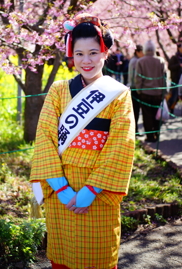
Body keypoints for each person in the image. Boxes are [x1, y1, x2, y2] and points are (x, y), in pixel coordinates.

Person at [30, 13, 135, 269]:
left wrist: (91, 190)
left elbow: (121, 144)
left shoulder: (118, 95)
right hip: (60, 187)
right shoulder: (58, 89)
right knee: (62, 255)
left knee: (98, 256)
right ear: (71, 55)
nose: (86, 61)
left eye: (93, 53)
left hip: (98, 191)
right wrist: (61, 187)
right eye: (79, 54)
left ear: (104, 53)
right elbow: (44, 136)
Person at [135, 40, 166, 142]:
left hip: (145, 93)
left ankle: (150, 136)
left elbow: (138, 78)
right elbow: (164, 78)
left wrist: (139, 90)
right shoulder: (160, 61)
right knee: (157, 114)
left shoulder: (141, 61)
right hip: (158, 93)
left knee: (147, 115)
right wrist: (164, 91)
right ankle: (157, 133)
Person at [128, 44, 144, 134]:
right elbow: (135, 77)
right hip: (135, 88)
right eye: (142, 52)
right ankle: (135, 129)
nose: (143, 54)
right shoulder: (136, 61)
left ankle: (135, 129)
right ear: (137, 52)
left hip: (133, 87)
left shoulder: (134, 60)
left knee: (135, 110)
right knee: (135, 110)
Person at [167, 42, 182, 113]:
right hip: (176, 80)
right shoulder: (174, 57)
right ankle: (170, 108)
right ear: (178, 48)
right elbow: (170, 67)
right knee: (174, 96)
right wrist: (179, 65)